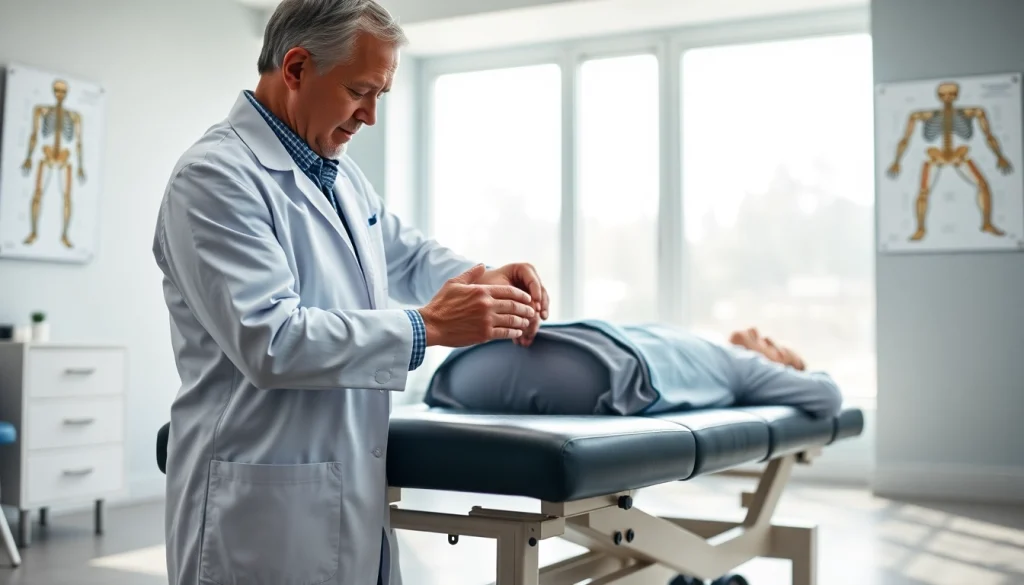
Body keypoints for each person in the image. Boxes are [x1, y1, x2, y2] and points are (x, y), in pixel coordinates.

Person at [151, 2, 550, 585]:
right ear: (295, 68)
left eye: (380, 95)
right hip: (260, 504)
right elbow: (273, 339)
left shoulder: (338, 174)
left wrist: (482, 277)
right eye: (360, 91)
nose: (370, 117)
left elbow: (406, 254)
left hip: (344, 487)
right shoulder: (214, 178)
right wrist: (427, 327)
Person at [423, 320, 844, 419]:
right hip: (553, 345)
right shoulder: (704, 342)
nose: (759, 334)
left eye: (775, 348)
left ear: (778, 372)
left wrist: (803, 373)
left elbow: (827, 397)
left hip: (602, 372)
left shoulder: (744, 369)